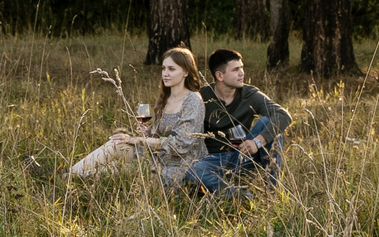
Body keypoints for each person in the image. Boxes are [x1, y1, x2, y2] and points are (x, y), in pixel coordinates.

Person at [68, 46, 208, 185]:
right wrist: (146, 133)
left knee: (117, 170)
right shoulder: (165, 98)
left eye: (171, 69)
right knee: (118, 143)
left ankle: (70, 179)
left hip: (179, 166)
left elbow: (181, 146)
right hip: (158, 156)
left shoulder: (193, 100)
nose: (165, 73)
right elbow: (157, 136)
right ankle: (70, 175)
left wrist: (136, 140)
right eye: (163, 68)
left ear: (186, 72)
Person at [186, 47, 289, 196]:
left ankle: (272, 194)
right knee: (193, 172)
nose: (242, 73)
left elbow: (283, 115)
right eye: (235, 70)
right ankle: (240, 196)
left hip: (244, 154)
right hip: (214, 159)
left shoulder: (249, 94)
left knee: (269, 122)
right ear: (220, 75)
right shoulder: (202, 97)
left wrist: (257, 142)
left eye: (242, 68)